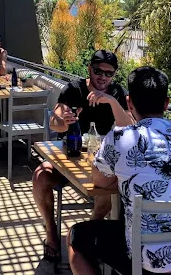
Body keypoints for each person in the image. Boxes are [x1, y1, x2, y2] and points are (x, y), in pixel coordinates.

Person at [68, 67, 171, 275]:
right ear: (166, 103)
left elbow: (99, 181)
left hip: (153, 263)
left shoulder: (121, 138)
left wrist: (122, 176)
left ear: (129, 103)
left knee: (77, 236)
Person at [32, 50, 131, 265]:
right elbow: (55, 121)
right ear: (89, 69)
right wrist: (64, 121)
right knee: (40, 177)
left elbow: (132, 126)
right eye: (98, 71)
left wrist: (112, 102)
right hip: (70, 157)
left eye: (109, 73)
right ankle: (51, 232)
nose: (103, 77)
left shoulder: (116, 92)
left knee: (106, 193)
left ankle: (86, 235)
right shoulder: (74, 89)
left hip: (101, 161)